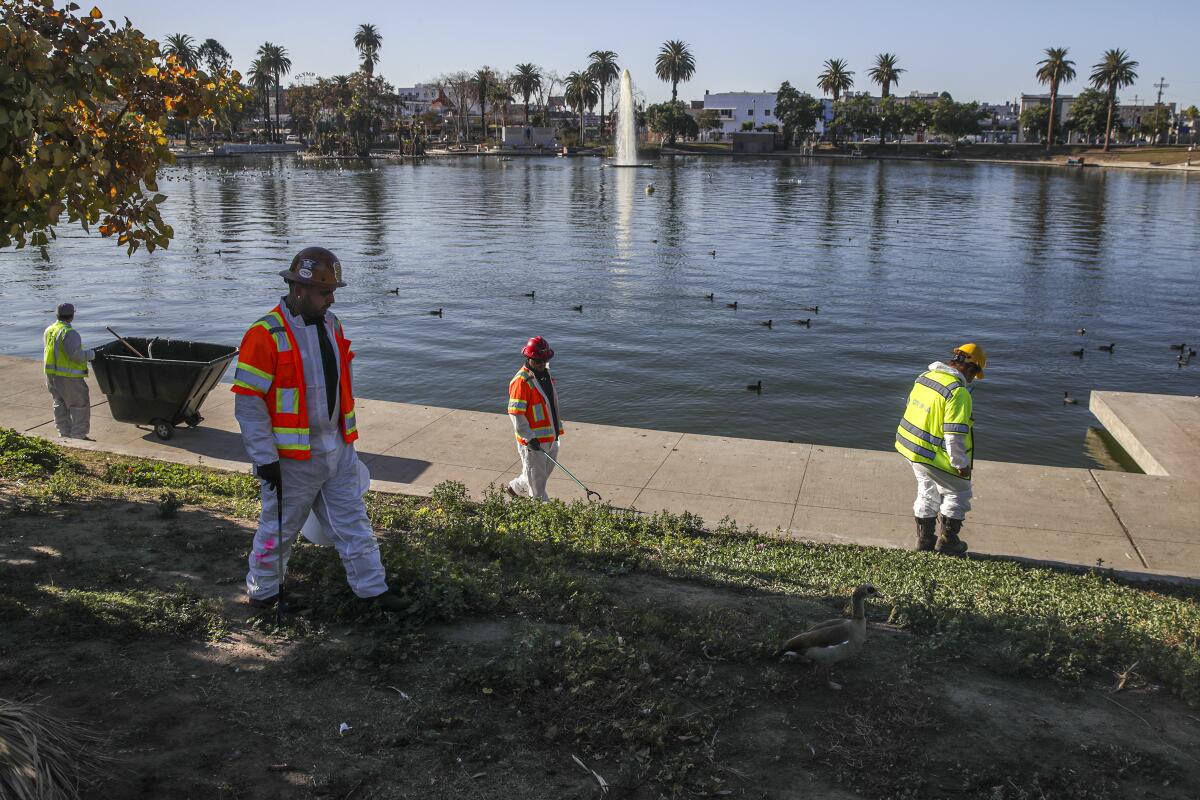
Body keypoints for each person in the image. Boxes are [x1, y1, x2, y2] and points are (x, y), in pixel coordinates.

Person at [230, 247, 404, 612]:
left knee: (354, 523)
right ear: (298, 290)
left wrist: (345, 442)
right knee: (278, 530)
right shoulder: (264, 335)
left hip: (336, 450)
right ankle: (264, 595)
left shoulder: (332, 324)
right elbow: (248, 404)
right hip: (291, 460)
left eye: (332, 291)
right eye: (325, 292)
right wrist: (265, 459)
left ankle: (373, 593)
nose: (331, 298)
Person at [894, 343, 987, 556]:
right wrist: (960, 464)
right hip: (935, 456)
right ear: (969, 369)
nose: (972, 380)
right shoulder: (958, 392)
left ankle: (925, 538)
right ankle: (948, 541)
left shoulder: (925, 377)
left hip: (912, 449)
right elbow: (953, 435)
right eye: (975, 374)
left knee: (927, 489)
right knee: (958, 492)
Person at [506, 336, 564, 500]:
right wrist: (530, 437)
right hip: (533, 441)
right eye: (538, 361)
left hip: (551, 436)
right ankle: (541, 509)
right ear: (528, 358)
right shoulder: (521, 381)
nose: (541, 364)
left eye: (544, 360)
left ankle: (515, 489)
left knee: (540, 473)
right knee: (537, 482)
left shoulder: (545, 373)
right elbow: (515, 413)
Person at [43, 302, 94, 440]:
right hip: (68, 377)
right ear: (72, 316)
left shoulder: (50, 329)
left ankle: (64, 434)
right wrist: (91, 354)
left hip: (51, 375)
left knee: (59, 404)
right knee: (79, 405)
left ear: (57, 314)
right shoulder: (69, 333)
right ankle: (79, 436)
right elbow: (76, 355)